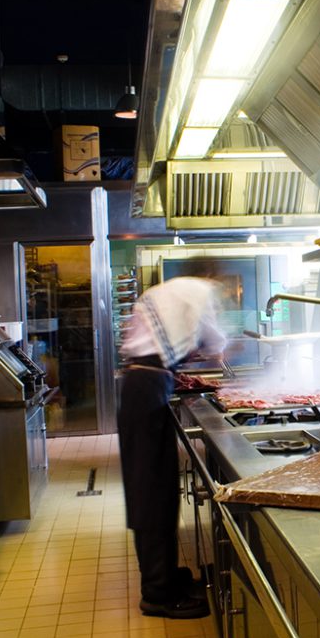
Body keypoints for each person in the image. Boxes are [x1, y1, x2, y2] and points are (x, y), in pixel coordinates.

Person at [117, 260, 227, 619]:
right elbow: (214, 340)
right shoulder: (200, 291)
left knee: (157, 488)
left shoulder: (166, 290)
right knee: (151, 491)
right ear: (209, 275)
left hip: (143, 384)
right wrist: (222, 352)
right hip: (148, 387)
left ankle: (167, 578)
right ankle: (158, 594)